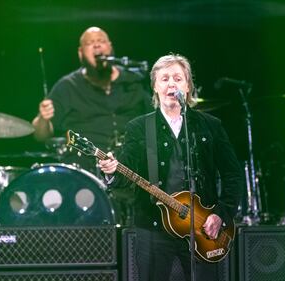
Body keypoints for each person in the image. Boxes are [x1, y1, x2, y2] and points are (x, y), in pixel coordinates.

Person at [99, 54, 244, 281]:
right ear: (155, 87)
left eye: (178, 78)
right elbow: (126, 172)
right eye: (164, 78)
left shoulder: (210, 126)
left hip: (202, 229)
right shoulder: (139, 127)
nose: (171, 84)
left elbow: (233, 174)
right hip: (153, 228)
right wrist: (111, 171)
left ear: (188, 87)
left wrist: (221, 215)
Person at [32, 26, 152, 173]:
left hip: (134, 169)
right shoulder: (68, 86)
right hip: (86, 171)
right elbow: (40, 135)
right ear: (80, 53)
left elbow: (156, 120)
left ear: (110, 47)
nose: (97, 45)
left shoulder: (134, 80)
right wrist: (43, 118)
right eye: (90, 43)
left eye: (101, 41)